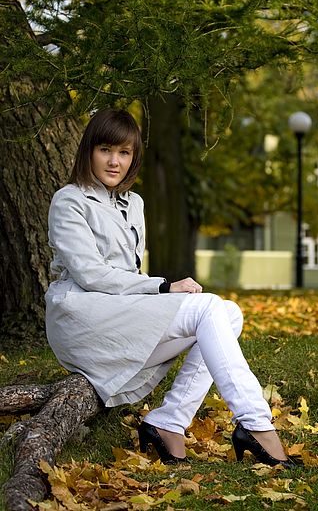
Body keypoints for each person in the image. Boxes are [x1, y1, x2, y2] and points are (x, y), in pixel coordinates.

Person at [45, 107, 298, 467]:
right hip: (82, 319)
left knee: (228, 312)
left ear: (133, 158)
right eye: (105, 150)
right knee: (210, 308)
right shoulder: (69, 200)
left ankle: (168, 422)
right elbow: (91, 275)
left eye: (124, 153)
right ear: (88, 151)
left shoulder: (134, 204)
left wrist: (155, 291)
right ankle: (257, 424)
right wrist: (162, 287)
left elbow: (128, 271)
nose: (114, 161)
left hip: (121, 315)